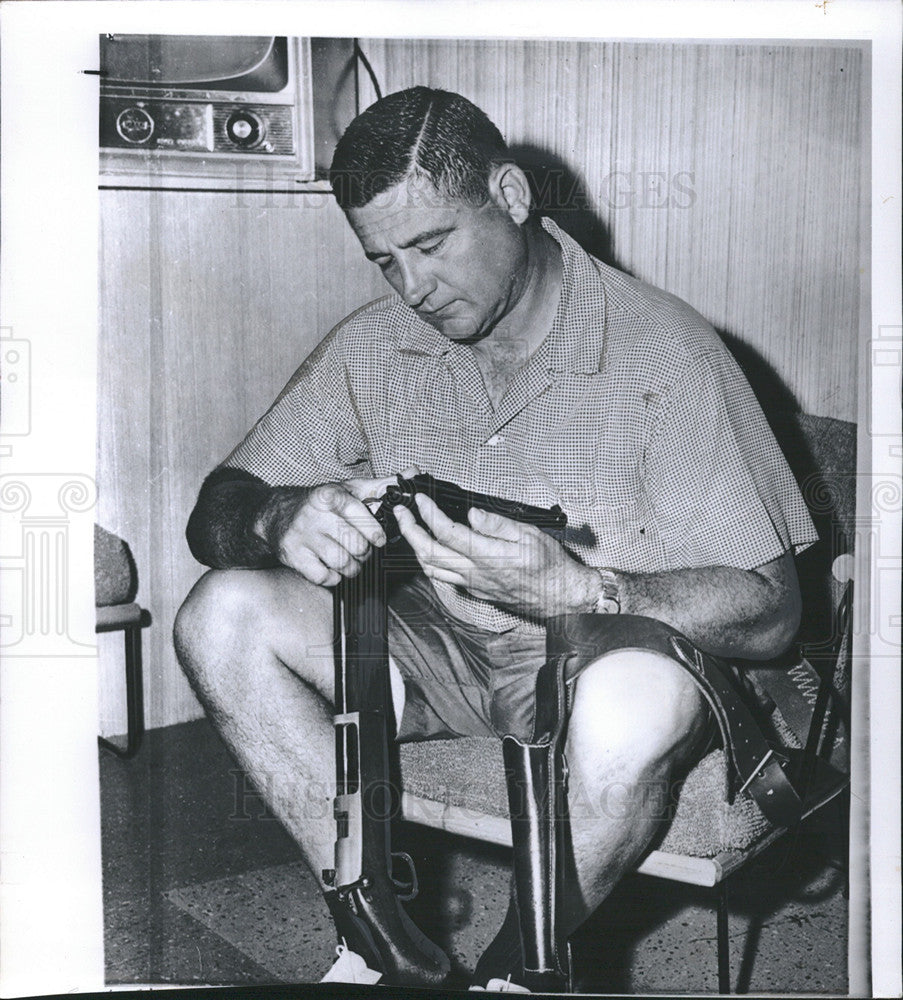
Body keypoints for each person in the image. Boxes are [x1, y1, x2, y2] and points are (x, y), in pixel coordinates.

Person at [174, 86, 817, 989]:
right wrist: (275, 518)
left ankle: (518, 969)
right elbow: (216, 509)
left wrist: (588, 590)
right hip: (445, 657)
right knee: (220, 613)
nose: (413, 288)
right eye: (383, 260)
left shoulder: (666, 354)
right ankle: (376, 941)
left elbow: (771, 613)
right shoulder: (374, 345)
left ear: (510, 196)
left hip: (613, 658)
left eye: (432, 245)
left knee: (633, 698)